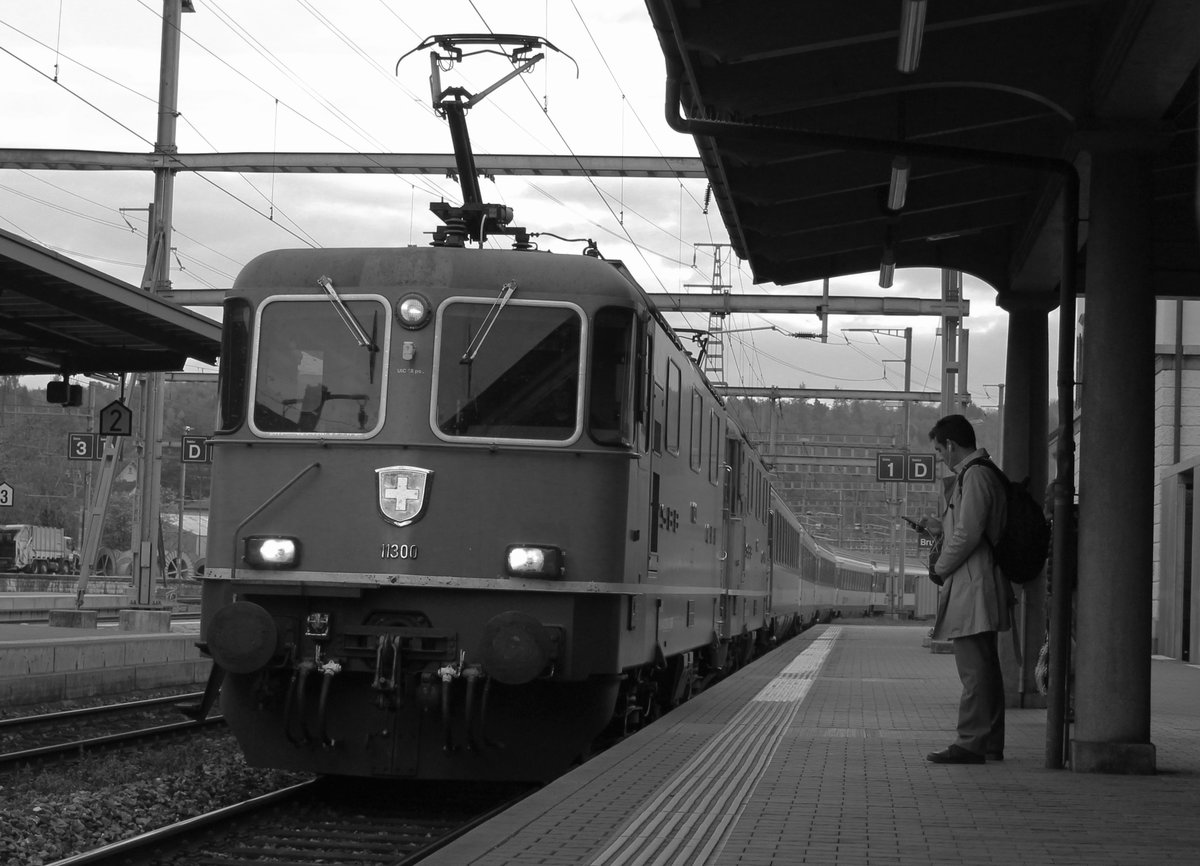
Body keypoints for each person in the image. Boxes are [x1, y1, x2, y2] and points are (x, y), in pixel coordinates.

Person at [918, 414, 1014, 764]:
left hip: (973, 584)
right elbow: (968, 528)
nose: (940, 457)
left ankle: (971, 741)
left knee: (974, 670)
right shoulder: (982, 474)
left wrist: (940, 566)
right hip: (980, 580)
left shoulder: (974, 476)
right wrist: (939, 528)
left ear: (951, 445)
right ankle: (989, 740)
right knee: (986, 667)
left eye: (939, 450)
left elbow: (968, 533)